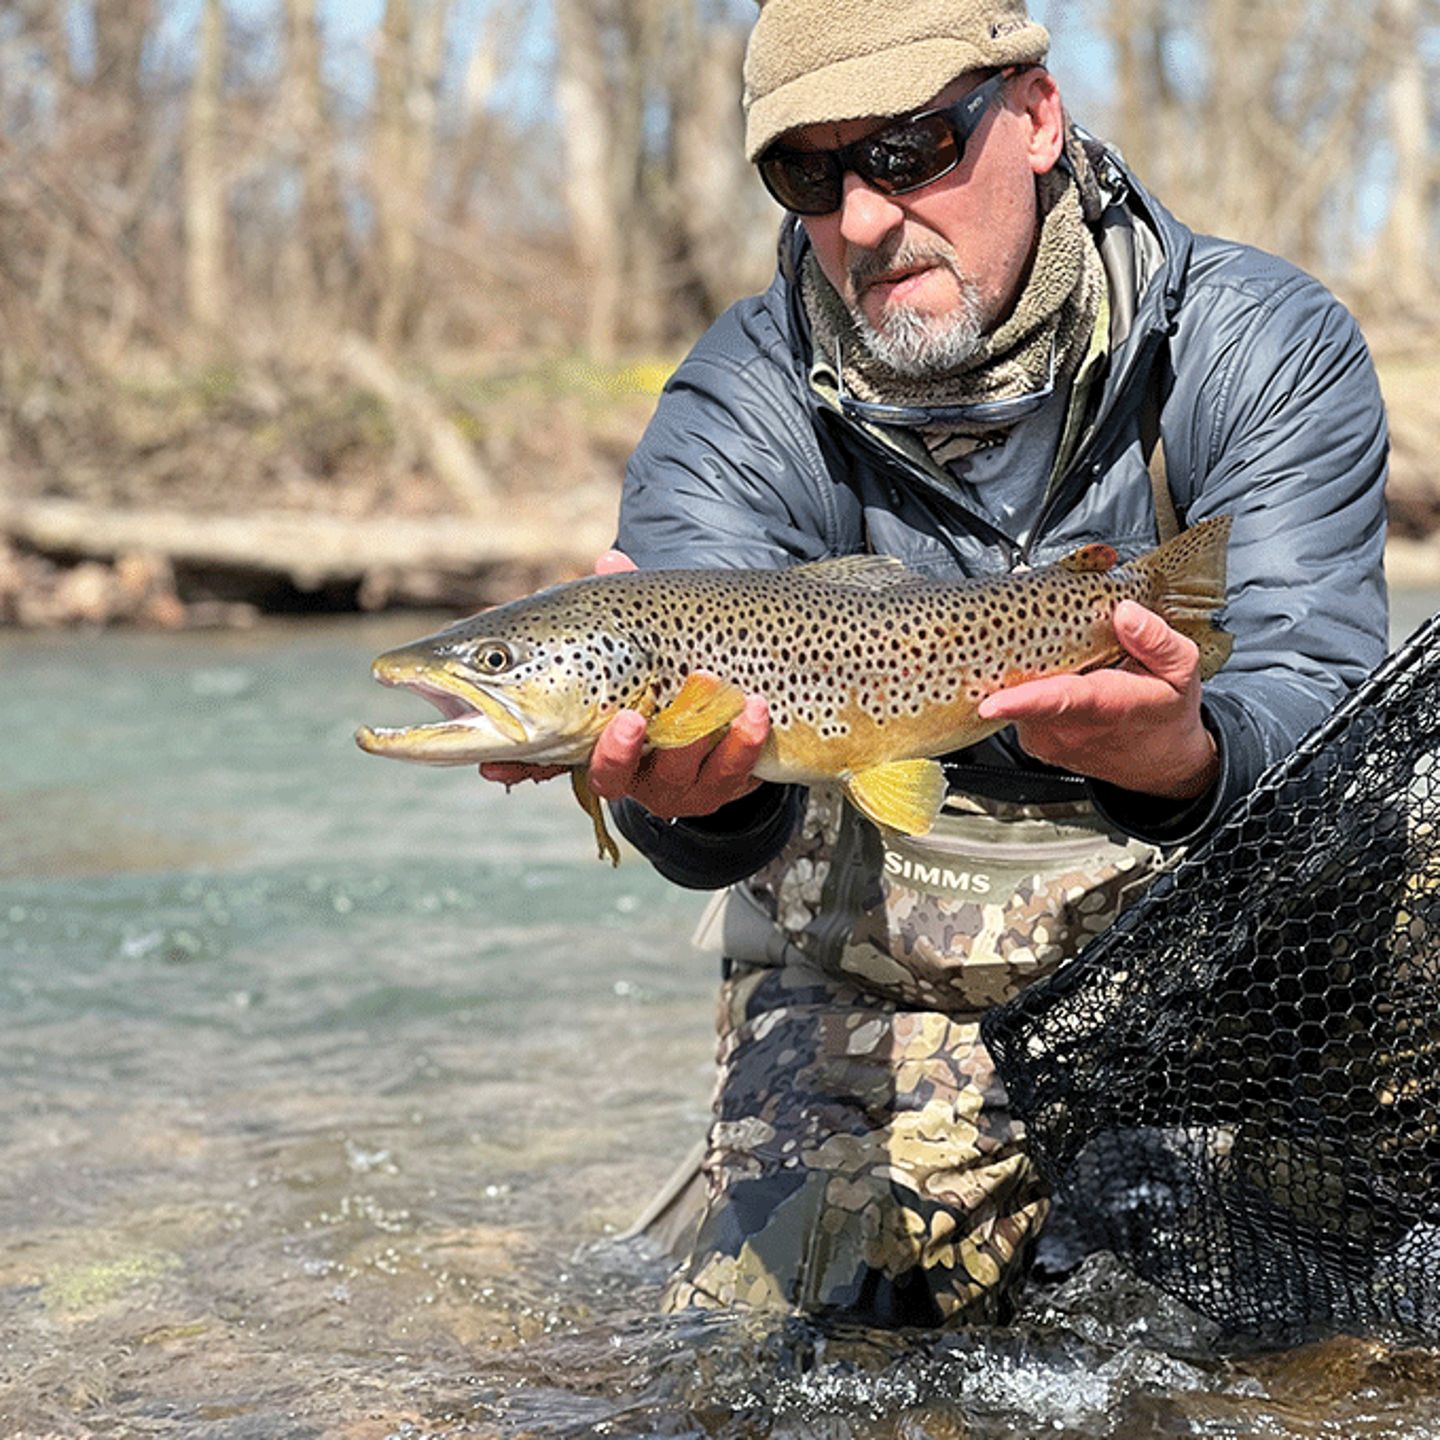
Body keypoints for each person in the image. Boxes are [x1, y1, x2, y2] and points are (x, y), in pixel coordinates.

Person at [485, 0, 1389, 1326]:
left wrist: (1188, 763)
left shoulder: (1256, 347)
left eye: (910, 149)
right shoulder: (735, 409)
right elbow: (702, 820)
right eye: (811, 173)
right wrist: (700, 800)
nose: (860, 218)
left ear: (1034, 117)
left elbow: (1329, 708)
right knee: (818, 1362)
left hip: (1219, 940)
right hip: (879, 974)